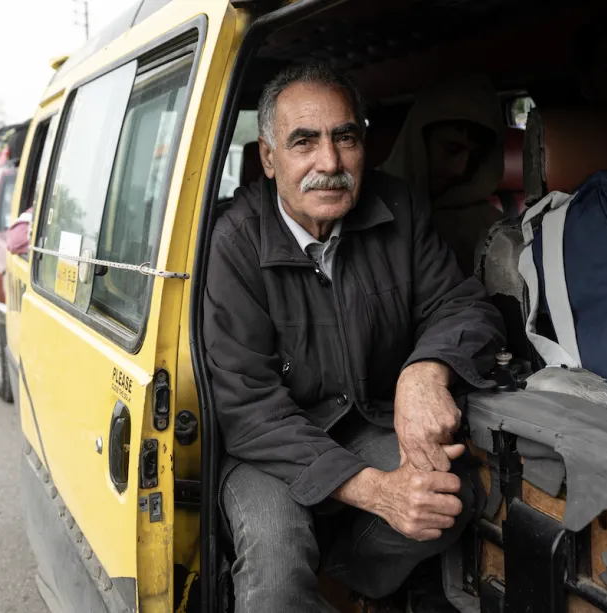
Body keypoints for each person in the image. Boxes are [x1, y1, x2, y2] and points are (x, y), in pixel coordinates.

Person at [203, 62, 505, 613]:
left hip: (364, 419)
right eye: (304, 142)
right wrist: (379, 492)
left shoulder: (399, 207)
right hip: (271, 447)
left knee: (447, 498)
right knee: (276, 568)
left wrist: (424, 371)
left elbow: (462, 304)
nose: (330, 163)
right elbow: (247, 409)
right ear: (269, 159)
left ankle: (343, 584)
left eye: (345, 137)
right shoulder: (235, 240)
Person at [380, 75, 506, 276]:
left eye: (474, 156)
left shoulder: (487, 223)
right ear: (418, 142)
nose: (461, 169)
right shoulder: (370, 204)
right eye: (451, 149)